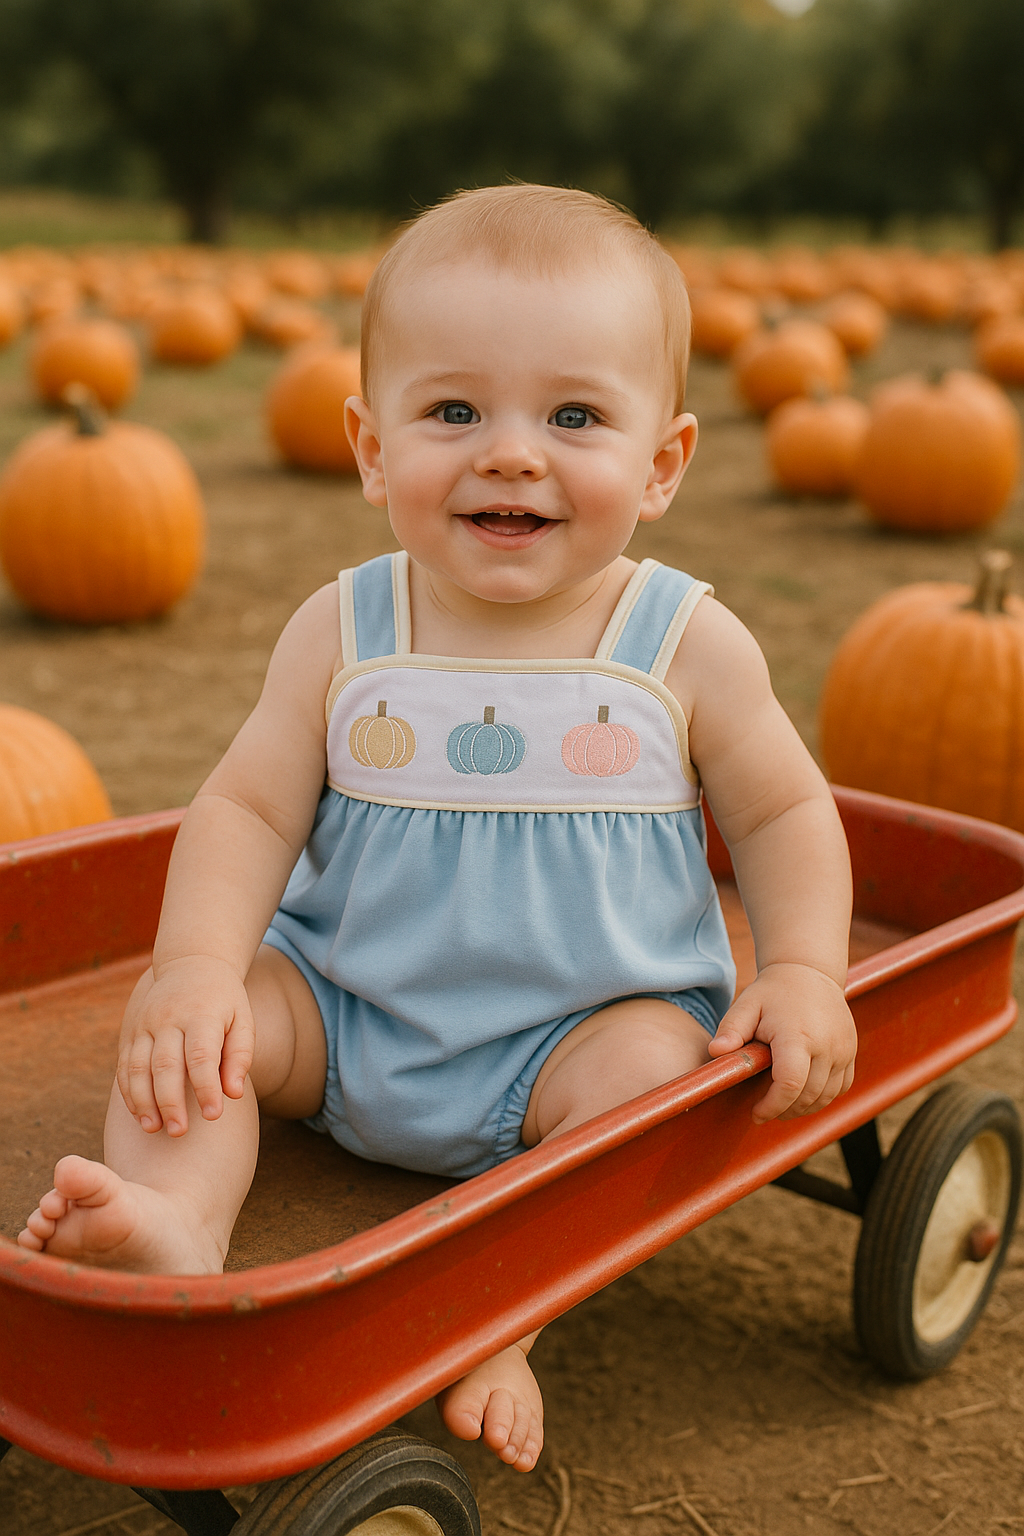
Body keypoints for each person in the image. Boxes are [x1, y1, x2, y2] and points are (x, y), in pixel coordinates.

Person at [19, 184, 857, 1476]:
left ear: (663, 463)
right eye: (454, 411)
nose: (510, 453)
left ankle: (501, 1310)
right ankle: (183, 1220)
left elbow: (788, 810)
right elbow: (245, 806)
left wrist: (802, 969)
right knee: (201, 1024)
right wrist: (194, 966)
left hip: (573, 1034)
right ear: (369, 446)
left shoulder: (682, 643)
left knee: (652, 1083)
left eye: (573, 416)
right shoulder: (343, 631)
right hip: (345, 1013)